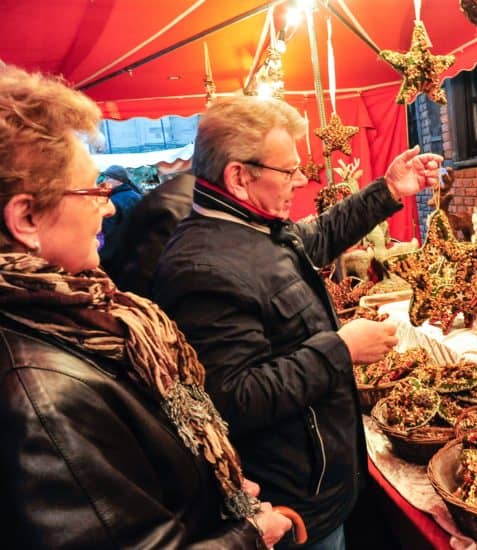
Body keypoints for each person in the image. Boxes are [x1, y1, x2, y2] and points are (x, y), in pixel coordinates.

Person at [0, 65, 292, 548]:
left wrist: (212, 487)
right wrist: (248, 536)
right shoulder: (40, 398)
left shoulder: (74, 316)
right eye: (95, 191)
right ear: (27, 217)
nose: (110, 208)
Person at [151, 95, 443, 549]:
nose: (299, 180)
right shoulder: (203, 267)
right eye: (288, 171)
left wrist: (387, 190)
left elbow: (320, 235)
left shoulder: (252, 225)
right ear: (240, 176)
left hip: (321, 483)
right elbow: (232, 401)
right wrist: (341, 349)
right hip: (291, 506)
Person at [102, 171, 195, 297]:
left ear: (119, 181)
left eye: (109, 177)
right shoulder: (188, 194)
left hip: (126, 271)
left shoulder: (121, 198)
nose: (105, 181)